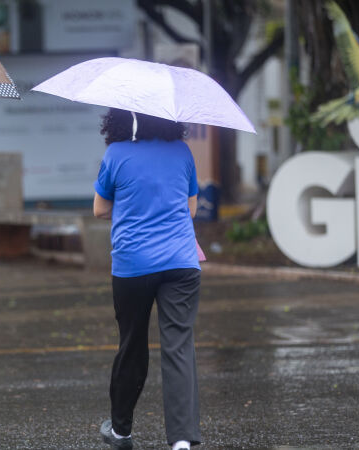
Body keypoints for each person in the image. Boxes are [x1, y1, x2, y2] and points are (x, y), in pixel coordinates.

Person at [94, 108, 202, 450]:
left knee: (133, 343)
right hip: (181, 263)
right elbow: (192, 208)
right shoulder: (182, 151)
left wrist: (131, 203)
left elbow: (99, 208)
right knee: (179, 347)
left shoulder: (116, 153)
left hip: (133, 265)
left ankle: (121, 431)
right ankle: (182, 440)